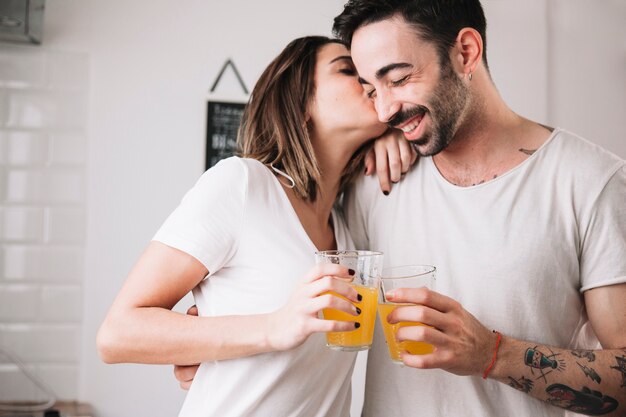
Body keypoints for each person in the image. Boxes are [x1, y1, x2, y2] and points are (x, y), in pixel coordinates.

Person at [332, 1, 626, 416]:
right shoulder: (374, 179)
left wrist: (491, 354)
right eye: (371, 90)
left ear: (466, 52)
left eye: (398, 79)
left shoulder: (591, 182)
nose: (384, 110)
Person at [96, 35, 393, 417]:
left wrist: (393, 136)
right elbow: (118, 334)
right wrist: (273, 327)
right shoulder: (242, 184)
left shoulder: (347, 226)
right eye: (348, 70)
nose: (370, 80)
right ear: (300, 103)